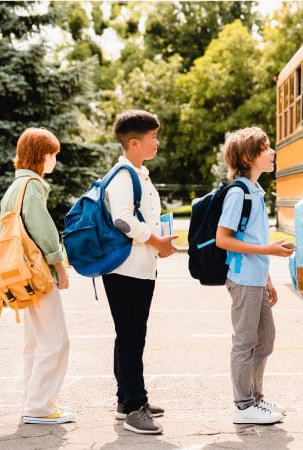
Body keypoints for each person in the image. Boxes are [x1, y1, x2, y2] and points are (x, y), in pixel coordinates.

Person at [102, 110, 178, 434]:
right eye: (152, 138)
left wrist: (159, 242)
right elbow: (122, 220)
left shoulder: (139, 173)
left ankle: (126, 399)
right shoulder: (122, 176)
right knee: (132, 338)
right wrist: (156, 239)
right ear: (134, 143)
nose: (157, 142)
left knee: (130, 336)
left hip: (139, 268)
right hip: (125, 270)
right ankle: (135, 406)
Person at [215, 127, 295, 425]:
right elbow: (223, 238)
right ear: (249, 157)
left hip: (257, 279)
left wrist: (269, 279)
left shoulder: (255, 191)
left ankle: (255, 399)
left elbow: (253, 238)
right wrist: (268, 250)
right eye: (266, 148)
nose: (272, 152)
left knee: (265, 341)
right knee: (245, 341)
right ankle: (243, 405)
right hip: (243, 280)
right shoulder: (238, 192)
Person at [0, 127, 75, 425]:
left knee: (35, 341)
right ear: (41, 156)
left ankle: (33, 402)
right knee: (56, 339)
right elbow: (44, 232)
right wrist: (59, 267)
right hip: (37, 274)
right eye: (53, 154)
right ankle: (41, 407)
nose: (55, 159)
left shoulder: (14, 187)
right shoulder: (32, 186)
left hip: (19, 274)